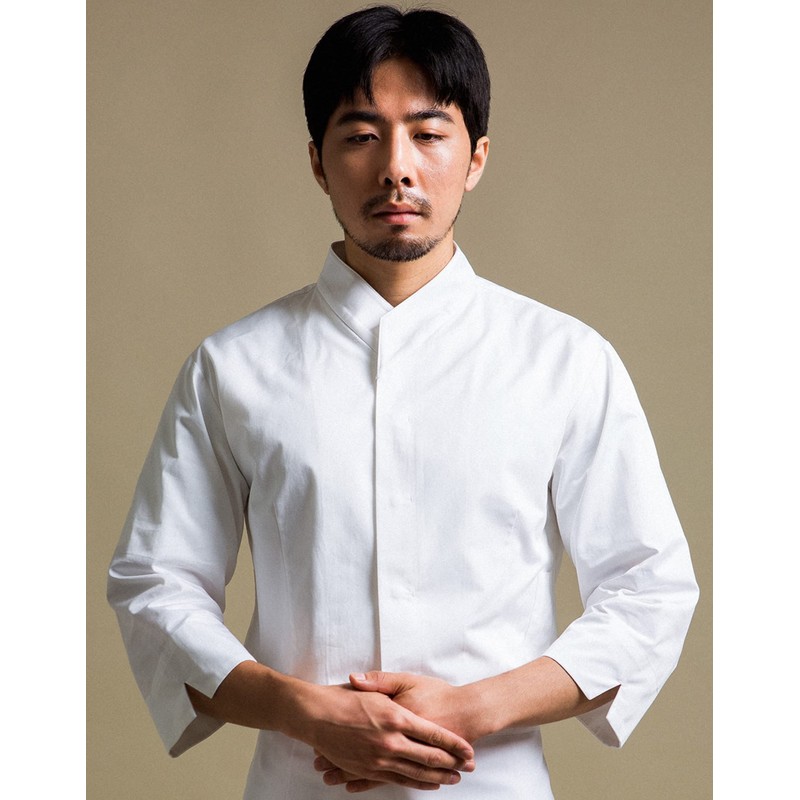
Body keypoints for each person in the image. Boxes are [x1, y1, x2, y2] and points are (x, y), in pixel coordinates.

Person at [107, 6, 699, 798]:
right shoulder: (232, 367)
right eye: (361, 135)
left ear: (476, 157)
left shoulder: (565, 361)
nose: (396, 167)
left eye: (428, 133)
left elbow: (648, 589)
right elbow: (155, 585)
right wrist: (309, 712)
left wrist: (474, 708)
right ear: (317, 162)